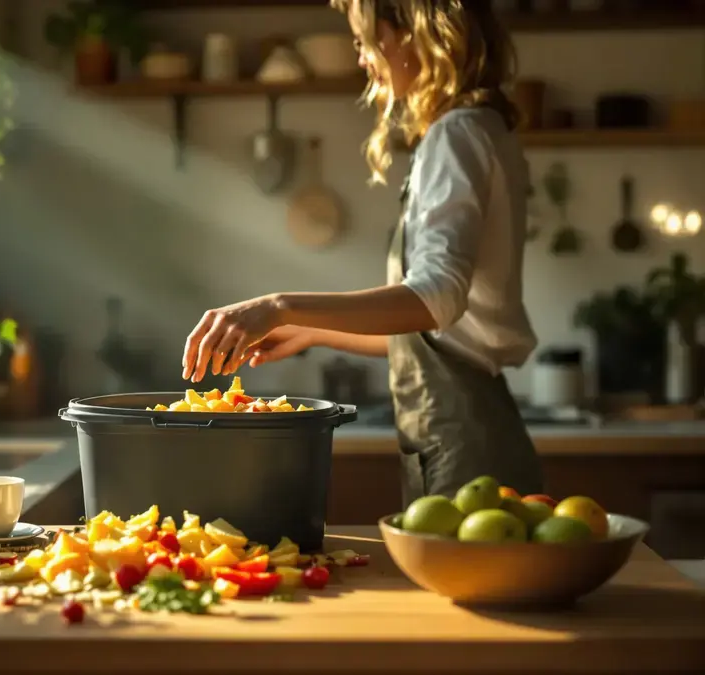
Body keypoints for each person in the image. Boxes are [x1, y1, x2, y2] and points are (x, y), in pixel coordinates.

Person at [179, 0, 544, 504]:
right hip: (466, 432)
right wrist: (307, 331)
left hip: (467, 439)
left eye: (364, 41)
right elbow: (432, 328)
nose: (361, 59)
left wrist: (279, 305)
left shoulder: (457, 134)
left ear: (412, 36)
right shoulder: (476, 128)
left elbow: (436, 298)